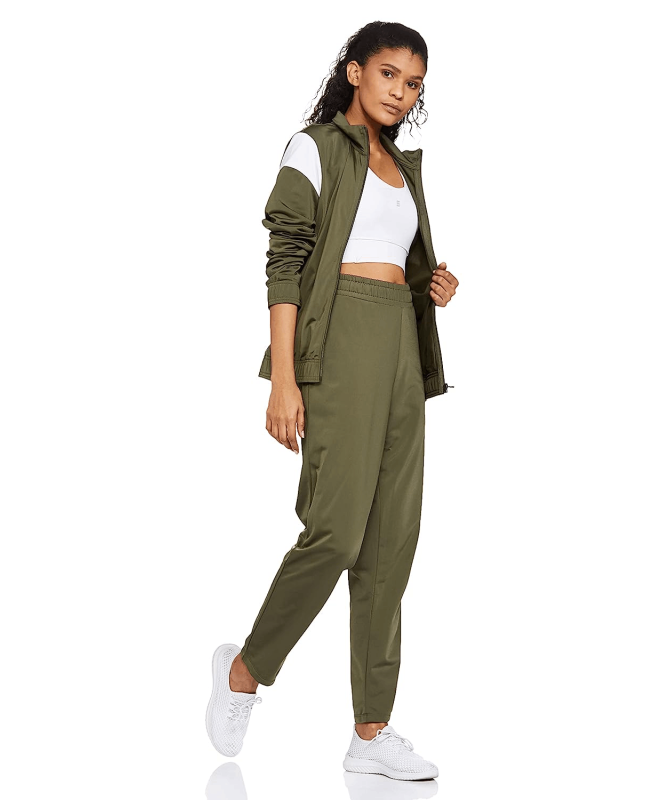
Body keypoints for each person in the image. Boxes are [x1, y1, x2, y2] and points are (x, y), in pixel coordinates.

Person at [205, 21, 458, 781]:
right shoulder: (312, 148)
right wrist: (284, 378)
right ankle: (245, 670)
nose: (400, 92)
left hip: (402, 350)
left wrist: (430, 284)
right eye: (388, 74)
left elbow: (389, 256)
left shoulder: (404, 166)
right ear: (354, 71)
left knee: (391, 543)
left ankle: (371, 731)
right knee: (337, 535)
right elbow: (286, 263)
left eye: (413, 83)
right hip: (338, 342)